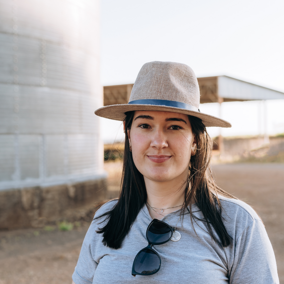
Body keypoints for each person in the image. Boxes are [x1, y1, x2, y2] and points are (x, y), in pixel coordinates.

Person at [72, 61, 279, 284]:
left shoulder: (238, 223)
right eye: (145, 125)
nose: (159, 142)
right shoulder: (106, 219)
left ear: (195, 141)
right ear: (129, 134)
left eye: (174, 126)